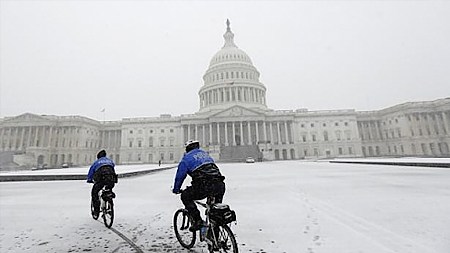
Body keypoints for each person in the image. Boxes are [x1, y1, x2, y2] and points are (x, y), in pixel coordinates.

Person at [172, 140, 226, 232]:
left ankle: (198, 221)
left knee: (185, 196)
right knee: (216, 213)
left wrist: (176, 189)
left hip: (204, 186)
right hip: (219, 185)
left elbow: (180, 176)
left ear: (187, 149)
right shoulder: (206, 155)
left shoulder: (186, 158)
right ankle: (215, 239)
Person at [87, 150, 117, 219]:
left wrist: (89, 180)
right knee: (108, 190)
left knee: (94, 193)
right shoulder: (110, 161)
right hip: (111, 178)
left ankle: (96, 211)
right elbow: (112, 168)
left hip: (101, 178)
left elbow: (91, 172)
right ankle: (109, 207)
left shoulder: (96, 162)